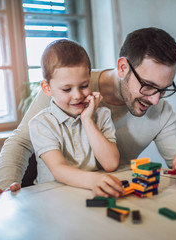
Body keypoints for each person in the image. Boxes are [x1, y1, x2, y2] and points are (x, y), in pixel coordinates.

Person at [0, 27, 176, 201]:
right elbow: (21, 141)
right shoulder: (69, 87)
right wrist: (6, 190)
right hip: (56, 199)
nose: (155, 100)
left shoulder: (159, 110)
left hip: (105, 199)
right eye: (148, 86)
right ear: (123, 67)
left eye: (164, 90)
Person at [31, 39, 122, 197]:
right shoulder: (41, 123)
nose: (78, 95)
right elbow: (59, 169)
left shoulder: (102, 114)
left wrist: (87, 120)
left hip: (89, 194)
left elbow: (110, 163)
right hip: (53, 197)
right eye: (67, 89)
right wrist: (94, 180)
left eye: (84, 86)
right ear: (47, 88)